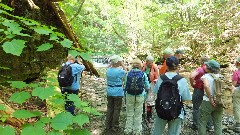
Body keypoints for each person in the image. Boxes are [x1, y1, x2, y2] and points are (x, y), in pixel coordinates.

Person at [152, 56, 191, 135]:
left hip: (162, 109)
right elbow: (186, 97)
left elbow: (156, 92)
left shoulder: (161, 78)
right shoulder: (182, 80)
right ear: (177, 66)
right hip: (176, 111)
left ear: (166, 65)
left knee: (157, 132)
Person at [124, 58, 150, 135]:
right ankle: (137, 131)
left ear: (132, 65)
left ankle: (128, 129)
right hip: (140, 95)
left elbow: (125, 85)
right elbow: (148, 87)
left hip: (129, 95)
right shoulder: (143, 74)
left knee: (129, 113)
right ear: (140, 66)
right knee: (138, 114)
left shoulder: (128, 73)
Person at [198, 60, 223, 135]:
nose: (205, 67)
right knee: (218, 123)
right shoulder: (222, 77)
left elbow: (206, 86)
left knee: (202, 122)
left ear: (209, 68)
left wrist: (211, 98)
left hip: (207, 101)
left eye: (207, 66)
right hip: (219, 101)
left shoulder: (205, 76)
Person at [189, 55, 213, 131]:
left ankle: (196, 125)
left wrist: (192, 84)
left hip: (199, 90)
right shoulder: (211, 69)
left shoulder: (200, 69)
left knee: (196, 108)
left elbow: (191, 76)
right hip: (208, 91)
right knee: (207, 108)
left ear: (201, 61)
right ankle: (209, 126)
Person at [105, 55, 127, 132]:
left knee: (110, 108)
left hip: (109, 91)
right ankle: (115, 126)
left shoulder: (108, 70)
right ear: (118, 62)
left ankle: (107, 125)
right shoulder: (119, 71)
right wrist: (122, 64)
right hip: (118, 92)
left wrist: (111, 63)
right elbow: (126, 71)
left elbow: (108, 67)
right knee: (117, 109)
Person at [142, 55, 159, 122]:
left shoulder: (155, 67)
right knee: (142, 99)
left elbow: (157, 77)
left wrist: (156, 81)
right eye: (149, 63)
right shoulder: (142, 66)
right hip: (143, 84)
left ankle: (149, 116)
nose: (151, 64)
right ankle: (142, 113)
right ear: (146, 62)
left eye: (152, 62)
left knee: (150, 101)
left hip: (151, 84)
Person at [232, 56, 240, 133]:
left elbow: (233, 85)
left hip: (238, 90)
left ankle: (238, 124)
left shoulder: (236, 72)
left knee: (237, 106)